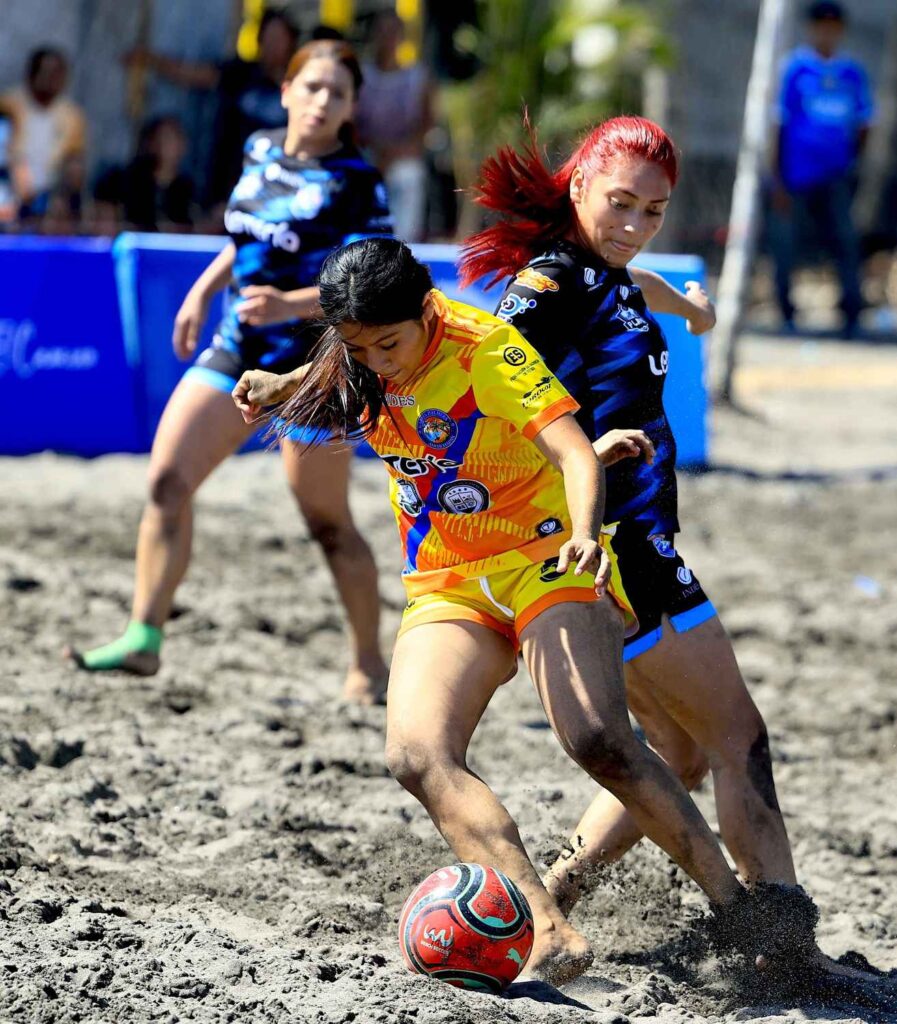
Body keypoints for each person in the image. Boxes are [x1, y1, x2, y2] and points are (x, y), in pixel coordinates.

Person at [231, 237, 823, 985]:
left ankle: (737, 911)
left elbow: (573, 454)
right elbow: (342, 369)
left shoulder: (487, 352)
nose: (377, 362)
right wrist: (279, 383)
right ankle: (547, 930)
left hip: (545, 558)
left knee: (598, 738)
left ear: (426, 310)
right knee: (415, 755)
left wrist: (585, 536)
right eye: (359, 348)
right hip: (447, 579)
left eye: (389, 344)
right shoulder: (361, 349)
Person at [457, 115, 811, 910]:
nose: (634, 225)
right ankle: (781, 938)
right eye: (619, 203)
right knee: (737, 739)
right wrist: (580, 447)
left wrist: (693, 311)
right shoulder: (548, 285)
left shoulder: (605, 276)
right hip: (616, 546)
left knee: (678, 752)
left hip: (622, 543)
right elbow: (479, 385)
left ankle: (553, 897)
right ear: (579, 184)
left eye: (652, 212)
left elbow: (636, 288)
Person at [65, 40, 392, 705]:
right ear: (287, 91)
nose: (323, 101)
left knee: (327, 523)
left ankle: (369, 664)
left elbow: (374, 283)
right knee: (166, 482)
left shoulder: (358, 181)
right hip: (238, 347)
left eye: (338, 93)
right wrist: (201, 291)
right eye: (313, 86)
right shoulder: (259, 149)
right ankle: (144, 635)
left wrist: (289, 305)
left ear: (351, 107)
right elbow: (243, 241)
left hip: (313, 367)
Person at [769, 0, 875, 336]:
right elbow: (778, 125)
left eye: (833, 27)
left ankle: (851, 314)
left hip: (836, 176)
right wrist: (777, 179)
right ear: (811, 29)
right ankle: (786, 312)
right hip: (795, 176)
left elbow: (864, 123)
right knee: (786, 244)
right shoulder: (795, 69)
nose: (826, 33)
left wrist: (851, 163)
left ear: (840, 30)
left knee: (845, 242)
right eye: (821, 26)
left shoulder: (851, 73)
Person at [126, 9, 299, 207]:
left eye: (278, 38)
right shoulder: (240, 74)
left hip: (277, 187)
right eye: (268, 37)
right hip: (230, 183)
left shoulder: (302, 88)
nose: (272, 45)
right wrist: (150, 60)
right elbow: (193, 75)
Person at [354, 10, 434, 242]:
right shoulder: (360, 75)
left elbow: (425, 126)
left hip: (404, 156)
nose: (387, 37)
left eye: (393, 32)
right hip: (366, 154)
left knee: (408, 176)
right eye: (382, 31)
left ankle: (403, 245)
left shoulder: (419, 77)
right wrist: (377, 151)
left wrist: (396, 152)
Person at [1, 47, 87, 223]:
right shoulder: (8, 106)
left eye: (58, 74)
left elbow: (74, 157)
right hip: (8, 184)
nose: (53, 80)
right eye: (48, 73)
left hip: (50, 193)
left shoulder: (72, 115)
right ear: (32, 74)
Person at [92, 115, 195, 232]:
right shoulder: (125, 181)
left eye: (169, 140)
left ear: (182, 145)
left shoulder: (187, 188)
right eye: (157, 139)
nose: (162, 146)